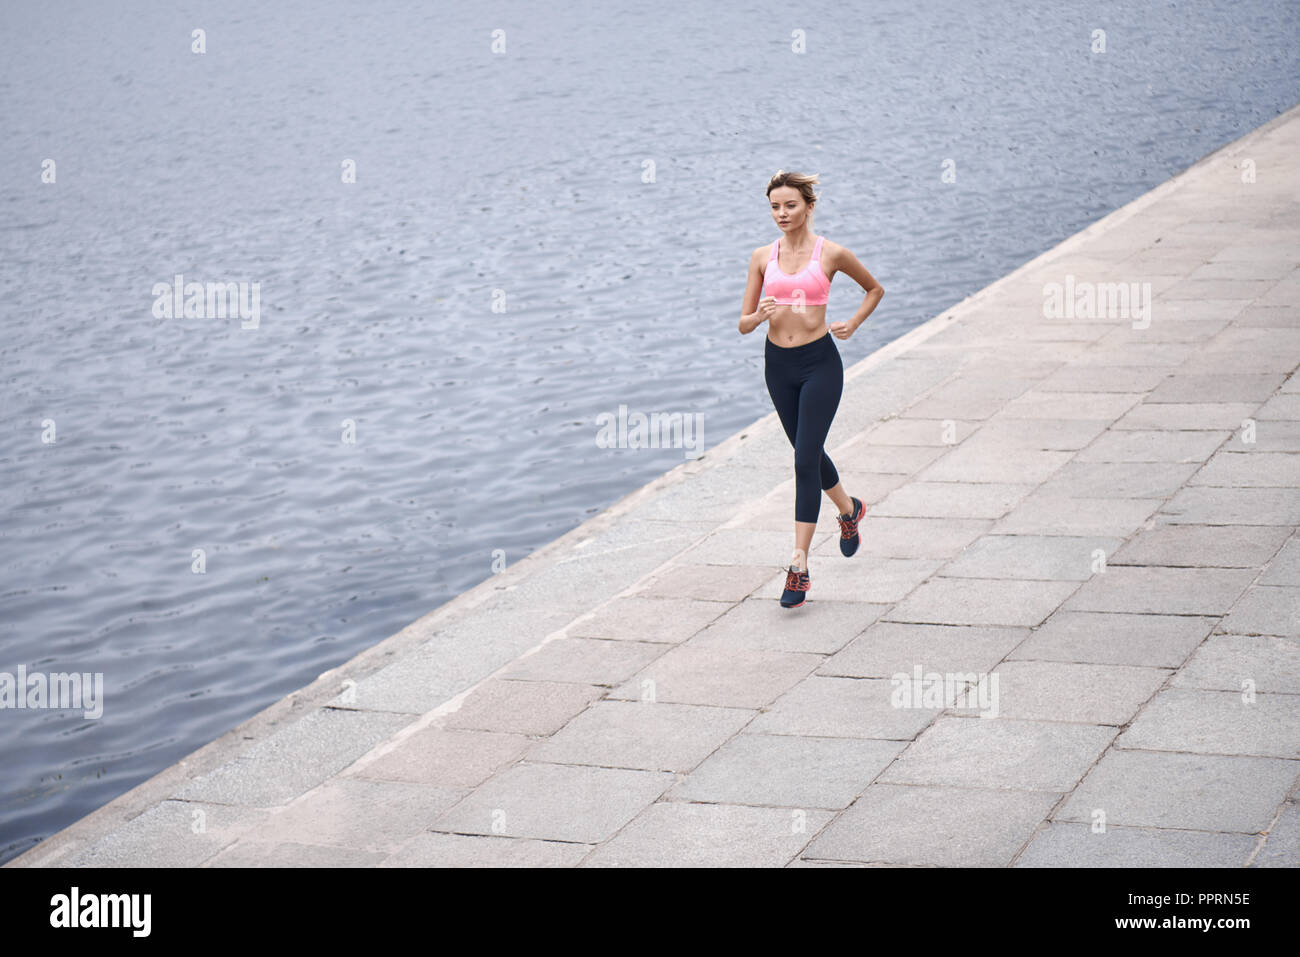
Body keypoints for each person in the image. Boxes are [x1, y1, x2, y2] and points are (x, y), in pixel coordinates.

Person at [737, 170, 885, 607]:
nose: (781, 214)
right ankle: (849, 509)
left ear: (809, 207)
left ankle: (798, 566)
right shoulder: (762, 257)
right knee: (810, 451)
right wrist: (760, 315)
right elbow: (743, 324)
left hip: (819, 364)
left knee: (803, 458)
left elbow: (874, 289)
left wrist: (852, 323)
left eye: (790, 205)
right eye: (775, 207)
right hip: (777, 367)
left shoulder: (832, 254)